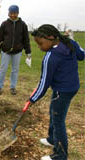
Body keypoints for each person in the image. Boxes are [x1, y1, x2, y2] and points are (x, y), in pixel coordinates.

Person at [27, 24, 84, 160]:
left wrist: (32, 99)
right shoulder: (69, 43)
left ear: (51, 38)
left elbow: (44, 83)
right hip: (71, 87)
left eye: (41, 43)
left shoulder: (51, 57)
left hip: (62, 91)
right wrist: (73, 40)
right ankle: (52, 139)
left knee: (58, 120)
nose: (40, 47)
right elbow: (82, 55)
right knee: (53, 111)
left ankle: (60, 154)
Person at [0, 5, 31, 95]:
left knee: (15, 70)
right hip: (5, 51)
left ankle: (13, 87)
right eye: (11, 13)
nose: (12, 15)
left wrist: (28, 51)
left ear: (18, 13)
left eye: (14, 13)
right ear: (8, 13)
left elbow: (26, 39)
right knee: (3, 69)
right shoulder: (4, 24)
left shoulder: (23, 25)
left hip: (17, 52)